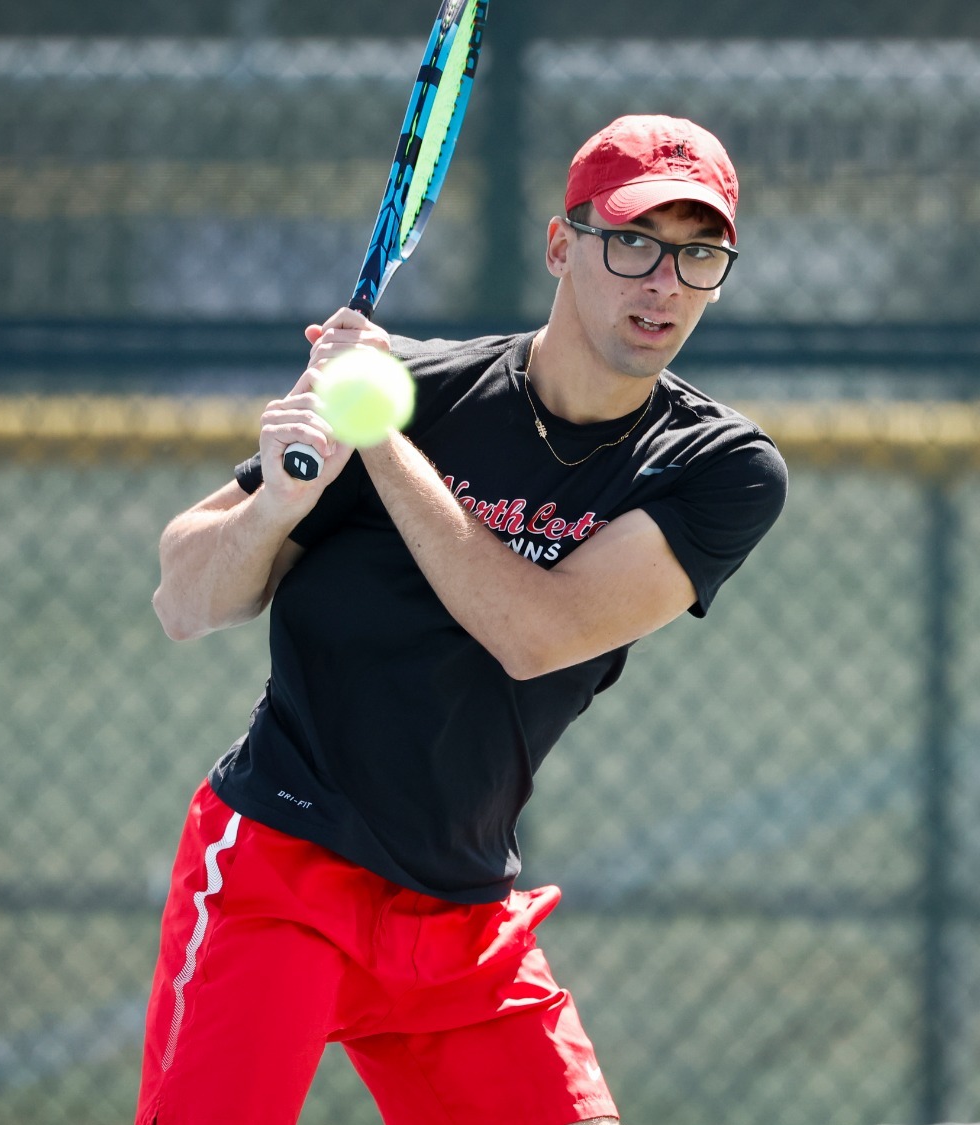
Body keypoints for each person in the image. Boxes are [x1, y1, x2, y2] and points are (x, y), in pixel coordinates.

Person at [137, 114, 788, 1125]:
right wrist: (276, 502)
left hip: (459, 915)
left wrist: (379, 437)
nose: (662, 281)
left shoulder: (717, 469)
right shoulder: (428, 393)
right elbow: (185, 599)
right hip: (280, 874)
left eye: (697, 254)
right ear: (561, 246)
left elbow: (535, 633)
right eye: (633, 244)